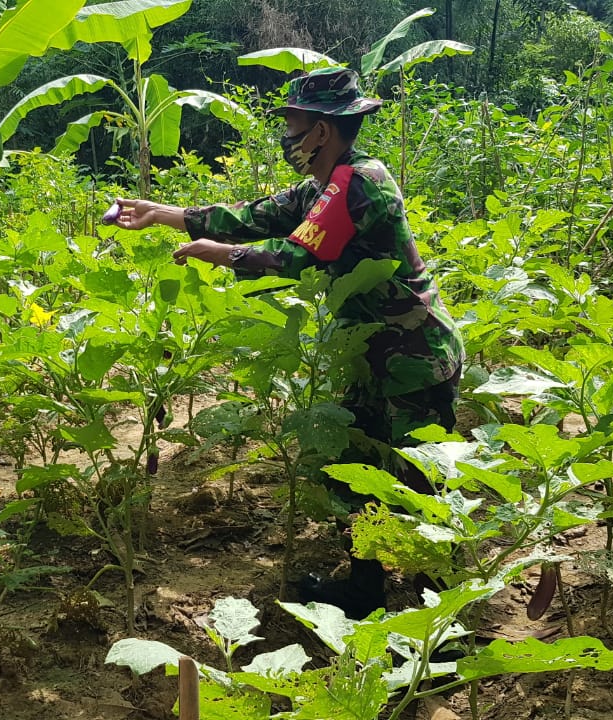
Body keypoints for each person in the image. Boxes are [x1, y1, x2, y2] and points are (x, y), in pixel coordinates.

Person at [112, 66, 465, 616]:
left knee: (420, 482)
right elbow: (257, 216)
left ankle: (439, 616)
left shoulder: (359, 181)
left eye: (292, 124)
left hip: (415, 359)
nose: (287, 136)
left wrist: (224, 255)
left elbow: (297, 257)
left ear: (321, 130)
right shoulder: (324, 185)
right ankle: (365, 591)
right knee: (356, 474)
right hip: (373, 357)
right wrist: (167, 215)